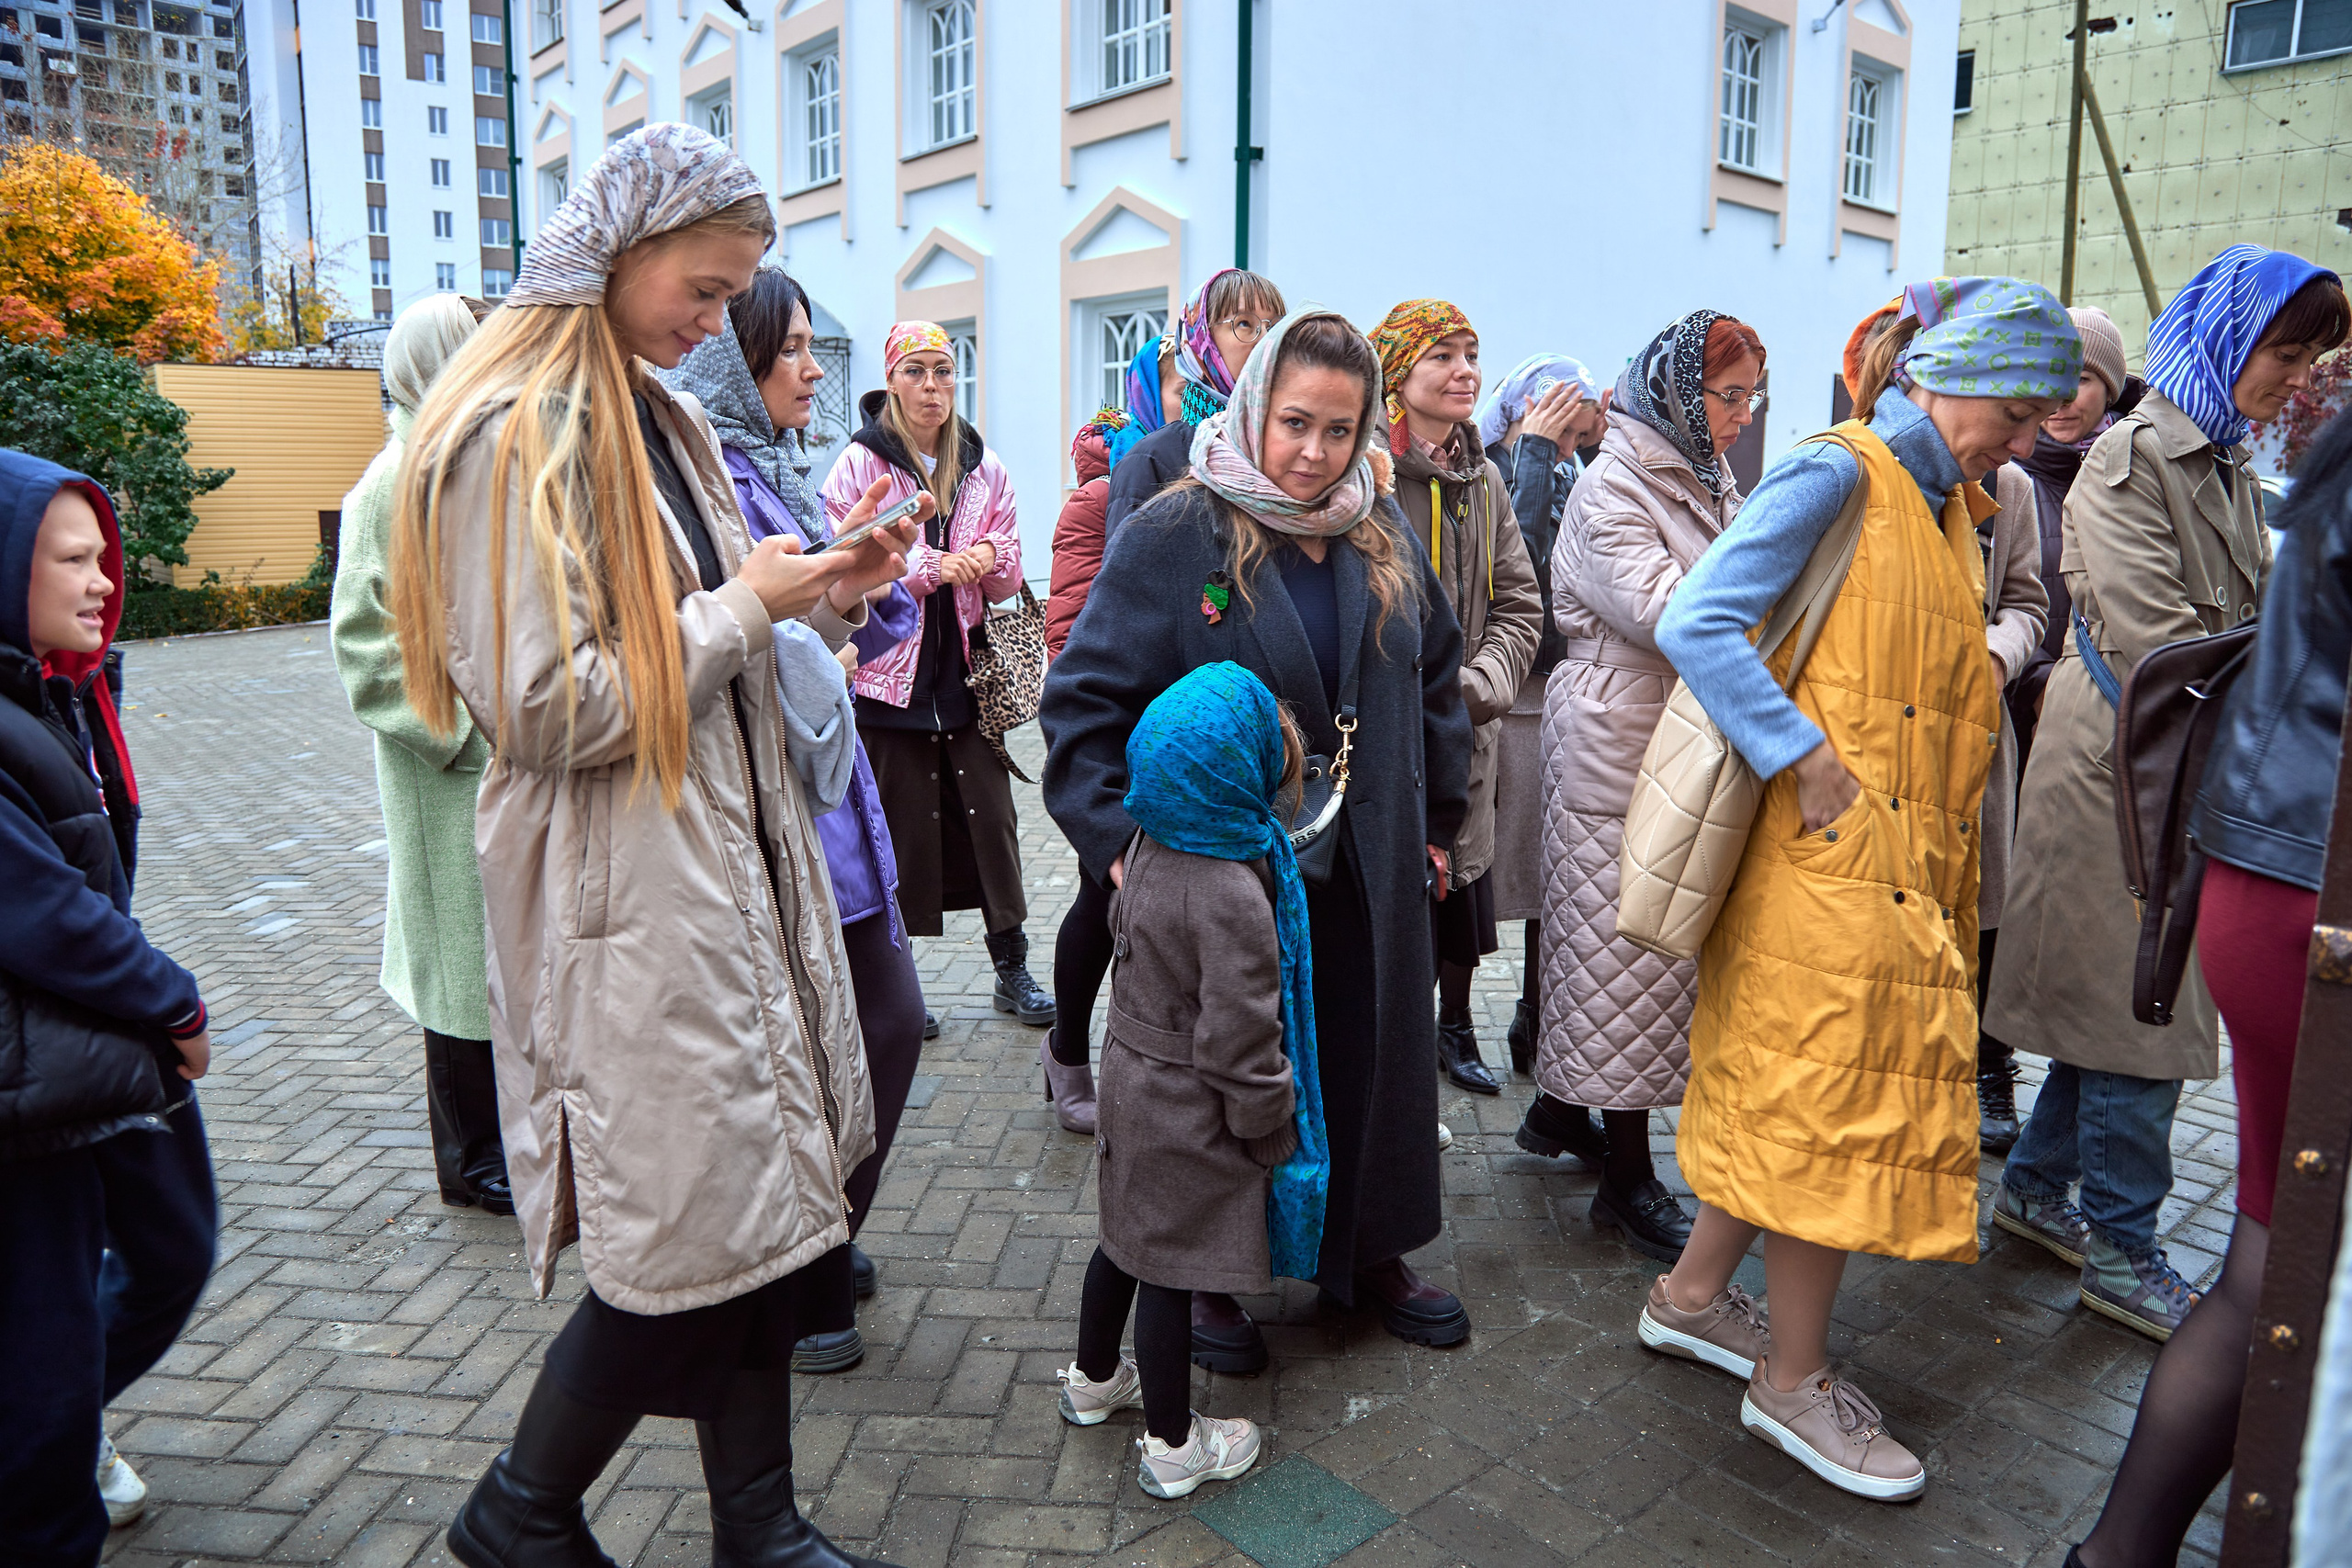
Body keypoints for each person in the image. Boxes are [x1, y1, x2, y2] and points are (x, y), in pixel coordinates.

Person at [386, 126, 920, 1568]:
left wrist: (813, 592)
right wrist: (748, 609)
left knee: (760, 1216)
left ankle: (759, 1523)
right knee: (679, 1228)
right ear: (619, 253)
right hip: (632, 889)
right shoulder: (516, 433)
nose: (717, 317)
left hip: (715, 865)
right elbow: (549, 700)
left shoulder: (649, 407)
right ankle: (520, 1507)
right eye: (705, 284)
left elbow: (692, 626)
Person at [1645, 278, 2083, 1502]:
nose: (2033, 432)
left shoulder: (1949, 502)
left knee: (1795, 1095)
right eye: (2026, 408)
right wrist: (1800, 751)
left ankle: (1688, 1297)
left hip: (1882, 866)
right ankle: (1789, 1381)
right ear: (1968, 381)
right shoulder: (1843, 474)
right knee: (1834, 1114)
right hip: (1829, 861)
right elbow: (1700, 618)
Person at [1042, 308, 1474, 1363]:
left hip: (1366, 855)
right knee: (1229, 1062)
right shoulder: (1176, 530)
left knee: (1366, 1044)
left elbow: (1435, 683)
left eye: (1338, 429)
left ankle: (1364, 1252)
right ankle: (1207, 1277)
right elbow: (1083, 703)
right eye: (1294, 424)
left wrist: (1438, 823)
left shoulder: (1380, 527)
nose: (1315, 454)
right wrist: (1120, 850)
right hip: (1225, 870)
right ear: (1252, 409)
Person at [1986, 248, 2346, 1343]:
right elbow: (2167, 648)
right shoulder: (2131, 460)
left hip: (2171, 776)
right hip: (2122, 782)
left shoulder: (2228, 461)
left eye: (2311, 359)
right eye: (2283, 353)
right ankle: (2124, 1248)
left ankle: (2039, 1193)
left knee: (2110, 1003)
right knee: (2144, 1017)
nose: (2295, 378)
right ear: (2228, 339)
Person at [2061, 400, 2350, 1568]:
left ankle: (2117, 1554)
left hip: (2273, 853)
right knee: (2280, 1251)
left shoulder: (2247, 461)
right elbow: (2141, 624)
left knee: (2274, 1255)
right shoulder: (2133, 458)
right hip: (2304, 878)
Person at [662, 266, 931, 1377]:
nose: (817, 372)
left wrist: (855, 579)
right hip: (777, 817)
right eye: (792, 350)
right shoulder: (702, 479)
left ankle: (822, 1244)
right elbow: (729, 642)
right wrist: (822, 597)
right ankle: (809, 1269)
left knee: (869, 1030)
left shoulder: (761, 470)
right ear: (735, 360)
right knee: (865, 1033)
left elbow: (807, 629)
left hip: (819, 797)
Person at [0, 450, 217, 1563]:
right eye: (72, 560)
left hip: (101, 1044)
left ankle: (57, 1420)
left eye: (104, 558)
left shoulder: (61, 688)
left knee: (175, 1251)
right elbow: (38, 909)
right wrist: (173, 1003)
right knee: (39, 1389)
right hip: (42, 1082)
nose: (102, 581)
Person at [1516, 310, 1764, 1263]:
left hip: (1670, 735)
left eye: (1751, 397)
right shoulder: (1614, 486)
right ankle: (1625, 1180)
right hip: (1620, 738)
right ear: (1676, 394)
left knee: (1627, 962)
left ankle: (1559, 1112)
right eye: (1726, 395)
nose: (1741, 415)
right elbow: (1675, 611)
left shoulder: (1704, 476)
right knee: (1624, 959)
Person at [1056, 661, 1318, 1500]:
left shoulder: (1142, 844)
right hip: (1189, 1106)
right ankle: (1173, 1443)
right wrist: (1267, 1118)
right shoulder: (1232, 889)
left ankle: (1094, 1378)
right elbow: (1241, 1035)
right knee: (1169, 1267)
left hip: (1130, 1084)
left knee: (1122, 1244)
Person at [330, 293, 513, 1217]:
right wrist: (464, 739)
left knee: (495, 965)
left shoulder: (455, 472)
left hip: (494, 764)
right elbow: (365, 649)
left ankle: (498, 1146)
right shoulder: (389, 485)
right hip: (447, 775)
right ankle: (471, 1161)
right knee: (456, 970)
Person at [821, 321, 1052, 1029]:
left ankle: (1011, 967)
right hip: (888, 683)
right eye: (917, 371)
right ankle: (900, 988)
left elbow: (1011, 563)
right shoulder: (861, 465)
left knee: (995, 826)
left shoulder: (984, 465)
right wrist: (928, 569)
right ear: (892, 379)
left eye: (945, 372)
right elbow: (844, 555)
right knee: (895, 833)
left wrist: (987, 553)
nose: (933, 386)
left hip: (967, 678)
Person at [1975, 305, 2139, 1153]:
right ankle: (1984, 1063)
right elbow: (2017, 598)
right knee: (1993, 898)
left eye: (2085, 377)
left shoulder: (2124, 469)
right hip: (2016, 708)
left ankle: (2021, 1081)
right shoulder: (2006, 469)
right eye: (2055, 378)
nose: (2066, 398)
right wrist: (2029, 678)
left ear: (2108, 385)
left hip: (2098, 717)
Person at [1373, 299, 1542, 1095]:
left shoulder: (1485, 481)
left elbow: (1520, 603)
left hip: (1463, 729)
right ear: (1398, 372)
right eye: (1442, 355)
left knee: (1457, 895)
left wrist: (1476, 689)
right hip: (1380, 733)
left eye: (1472, 353)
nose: (1464, 369)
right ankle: (1390, 1053)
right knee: (1388, 908)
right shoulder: (1365, 473)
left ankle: (1451, 1028)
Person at [1475, 355, 1609, 1074]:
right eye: (1577, 399)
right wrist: (1531, 451)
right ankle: (1455, 1022)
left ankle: (1533, 1019)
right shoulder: (1501, 464)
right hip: (1511, 690)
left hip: (1566, 686)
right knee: (1485, 866)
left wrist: (1575, 452)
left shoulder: (1576, 470)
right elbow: (1519, 570)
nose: (1589, 410)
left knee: (1550, 876)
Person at [1101, 269, 1287, 541]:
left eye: (1276, 327)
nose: (1266, 339)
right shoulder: (1152, 460)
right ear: (1201, 340)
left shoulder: (1296, 445)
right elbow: (1128, 578)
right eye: (1244, 323)